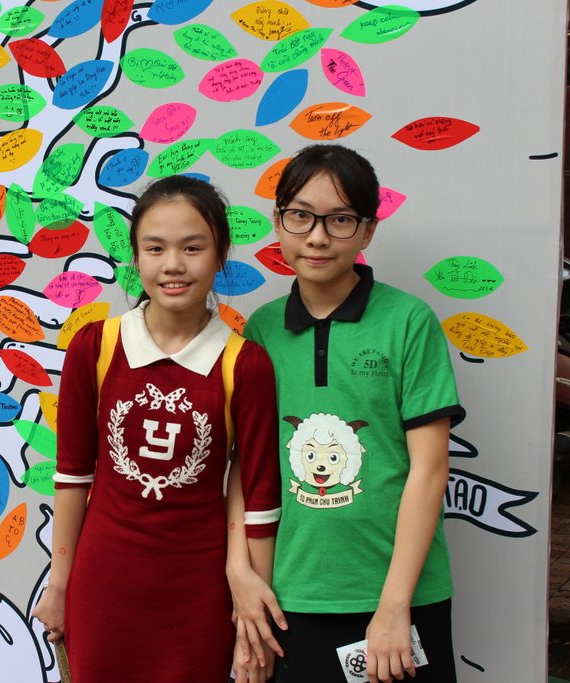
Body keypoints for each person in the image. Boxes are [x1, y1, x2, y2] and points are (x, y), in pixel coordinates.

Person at [31, 175, 284, 682]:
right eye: (155, 248)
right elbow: (73, 476)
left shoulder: (245, 364)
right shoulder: (95, 347)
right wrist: (59, 582)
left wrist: (250, 614)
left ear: (220, 254)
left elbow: (258, 495)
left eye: (192, 248)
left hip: (200, 592)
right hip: (102, 585)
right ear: (136, 257)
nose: (173, 265)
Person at [244, 144, 464, 682]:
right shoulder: (261, 330)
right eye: (301, 216)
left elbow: (430, 468)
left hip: (401, 599)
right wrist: (247, 583)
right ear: (278, 222)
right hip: (291, 599)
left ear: (368, 231)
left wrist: (393, 606)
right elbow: (250, 472)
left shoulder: (408, 321)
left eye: (340, 219)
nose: (317, 237)